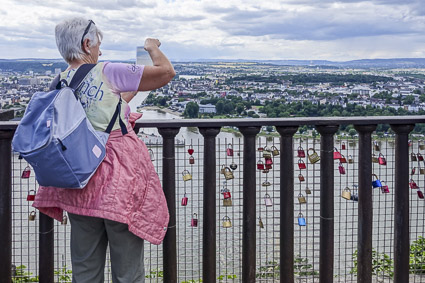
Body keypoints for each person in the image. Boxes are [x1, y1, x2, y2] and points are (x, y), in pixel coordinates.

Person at [33, 17, 175, 282]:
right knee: (128, 271)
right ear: (87, 44)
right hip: (117, 184)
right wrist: (151, 47)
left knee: (85, 269)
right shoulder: (107, 70)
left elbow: (100, 107)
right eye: (98, 44)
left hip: (78, 182)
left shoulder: (60, 82)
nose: (101, 51)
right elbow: (166, 72)